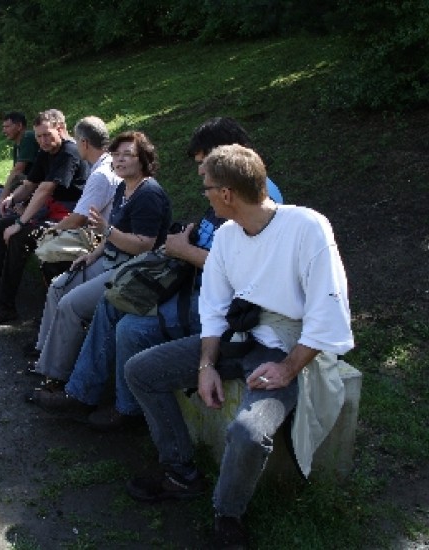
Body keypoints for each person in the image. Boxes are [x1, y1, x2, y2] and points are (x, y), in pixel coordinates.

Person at [123, 144, 354, 549]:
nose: (206, 196)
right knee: (141, 371)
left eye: (207, 188)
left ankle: (227, 513)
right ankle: (181, 473)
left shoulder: (307, 227)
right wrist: (206, 366)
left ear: (226, 194)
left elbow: (328, 312)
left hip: (285, 349)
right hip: (239, 337)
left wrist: (287, 369)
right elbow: (214, 308)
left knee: (248, 432)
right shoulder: (228, 237)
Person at [33, 117, 283, 431]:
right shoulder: (224, 187)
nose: (200, 173)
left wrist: (183, 250)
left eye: (204, 162)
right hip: (190, 278)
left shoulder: (258, 195)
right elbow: (218, 244)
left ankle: (126, 410)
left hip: (217, 300)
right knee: (111, 301)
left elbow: (244, 272)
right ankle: (81, 392)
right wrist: (186, 240)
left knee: (129, 327)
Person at [28, 131, 172, 404]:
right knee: (58, 287)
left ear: (144, 159)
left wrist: (107, 231)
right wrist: (93, 255)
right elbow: (111, 233)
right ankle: (46, 357)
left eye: (127, 155)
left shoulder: (149, 194)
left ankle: (57, 379)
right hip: (109, 259)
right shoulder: (122, 188)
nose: (119, 160)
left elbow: (144, 246)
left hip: (134, 269)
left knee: (71, 304)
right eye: (116, 155)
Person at [0, 109, 90, 326]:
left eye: (47, 135)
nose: (43, 141)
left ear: (60, 129)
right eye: (39, 136)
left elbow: (45, 190)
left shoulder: (69, 152)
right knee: (1, 225)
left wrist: (21, 222)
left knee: (19, 236)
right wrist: (10, 199)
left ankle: (5, 306)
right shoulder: (46, 150)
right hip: (53, 213)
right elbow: (30, 184)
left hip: (72, 219)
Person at [0, 111, 40, 225]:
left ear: (19, 126)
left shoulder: (28, 138)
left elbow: (18, 170)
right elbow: (17, 174)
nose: (4, 131)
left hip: (33, 188)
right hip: (24, 185)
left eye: (7, 127)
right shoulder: (18, 144)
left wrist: (3, 196)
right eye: (3, 127)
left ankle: (8, 227)